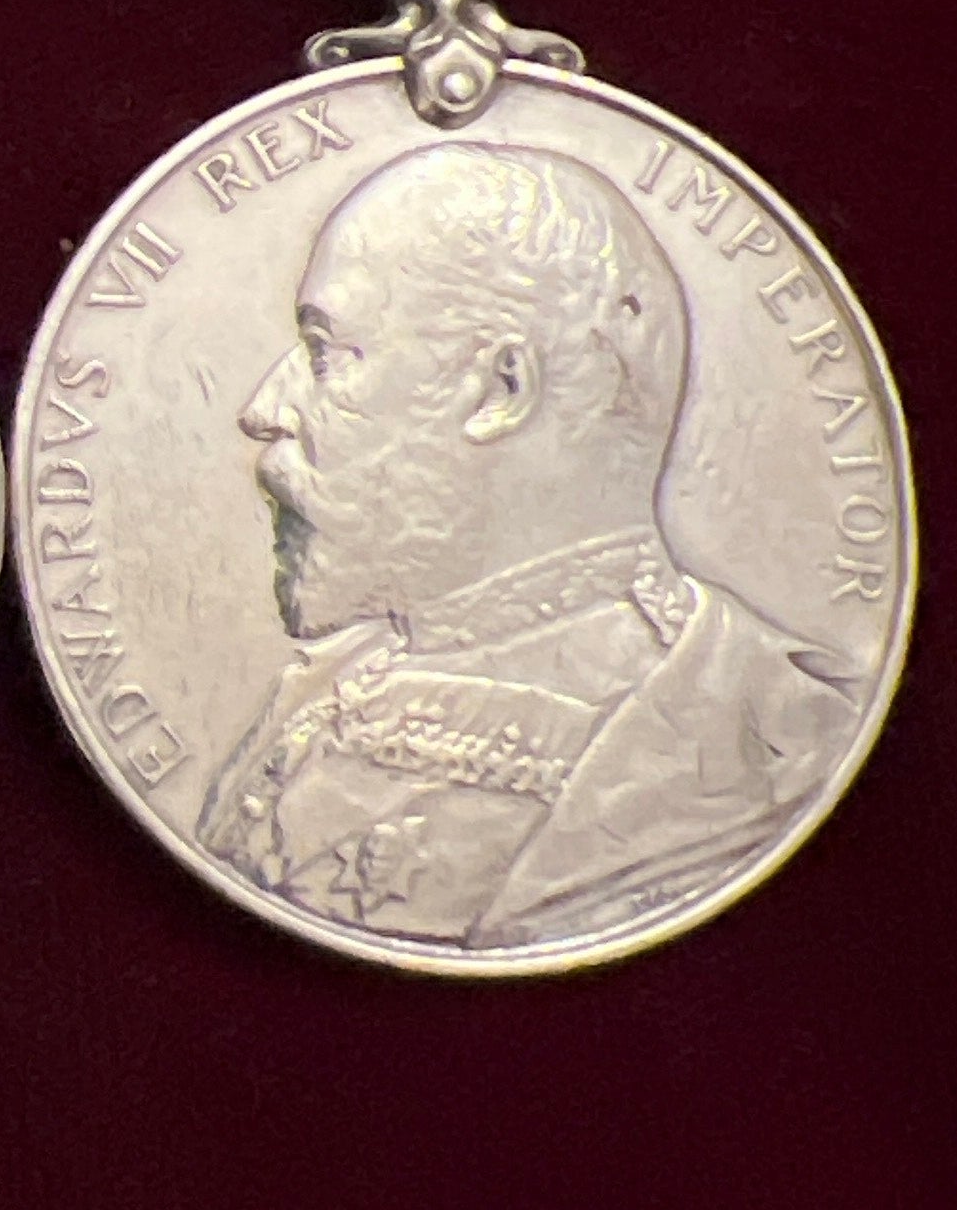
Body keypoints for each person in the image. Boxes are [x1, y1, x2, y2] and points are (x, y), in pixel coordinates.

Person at [197, 141, 862, 949]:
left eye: (322, 353)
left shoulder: (772, 738)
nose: (263, 406)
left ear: (499, 389)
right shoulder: (313, 700)